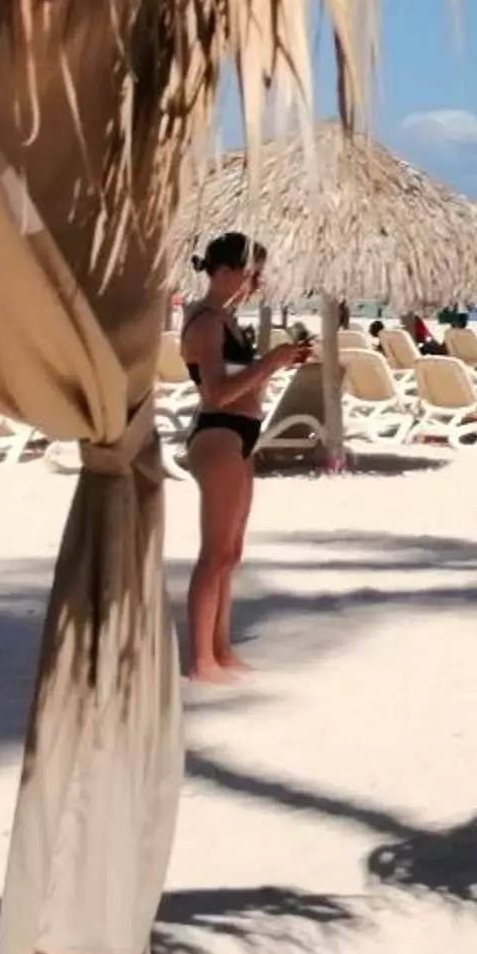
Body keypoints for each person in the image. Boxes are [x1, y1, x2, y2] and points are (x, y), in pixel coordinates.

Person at [179, 232, 309, 683]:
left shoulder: (228, 320)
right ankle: (201, 660)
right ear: (227, 271)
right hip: (218, 436)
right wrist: (270, 362)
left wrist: (273, 366)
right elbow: (215, 394)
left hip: (239, 435)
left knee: (230, 552)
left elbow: (239, 383)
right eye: (252, 276)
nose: (256, 285)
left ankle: (221, 649)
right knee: (214, 553)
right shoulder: (206, 322)